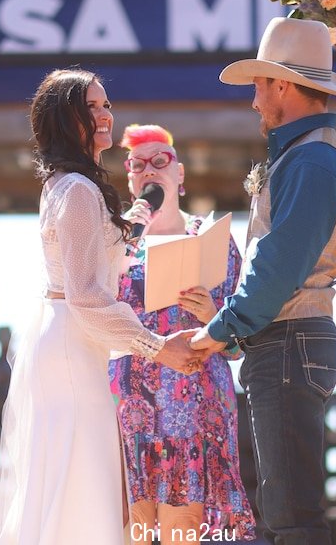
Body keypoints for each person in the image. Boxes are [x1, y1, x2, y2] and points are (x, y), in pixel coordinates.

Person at [0, 68, 204, 545]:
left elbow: (95, 258)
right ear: (66, 118)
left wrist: (130, 225)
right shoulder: (80, 192)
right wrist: (155, 347)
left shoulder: (66, 186)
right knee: (83, 488)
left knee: (67, 485)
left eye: (106, 104)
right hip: (73, 345)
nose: (105, 114)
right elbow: (87, 294)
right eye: (91, 106)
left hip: (67, 342)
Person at [190, 17, 336, 544]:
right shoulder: (310, 153)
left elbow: (278, 266)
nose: (254, 101)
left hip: (288, 341)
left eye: (260, 86)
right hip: (291, 340)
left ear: (283, 85)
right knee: (287, 507)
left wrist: (220, 331)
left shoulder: (310, 158)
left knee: (290, 512)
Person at [109, 124, 256, 544]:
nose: (149, 170)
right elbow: (93, 317)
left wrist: (214, 315)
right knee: (132, 530)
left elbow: (239, 345)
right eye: (138, 165)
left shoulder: (215, 241)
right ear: (130, 177)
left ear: (180, 174)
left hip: (193, 407)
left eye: (161, 161)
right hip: (130, 406)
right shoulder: (117, 242)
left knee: (183, 532)